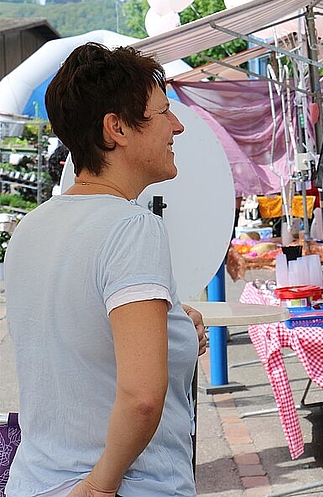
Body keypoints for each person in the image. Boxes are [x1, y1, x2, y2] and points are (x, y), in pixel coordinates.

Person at [5, 42, 206, 496]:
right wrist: (99, 487)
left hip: (34, 481)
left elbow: (72, 344)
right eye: (162, 113)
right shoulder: (133, 228)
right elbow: (141, 398)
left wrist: (171, 327)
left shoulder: (30, 230)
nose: (177, 126)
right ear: (116, 128)